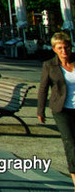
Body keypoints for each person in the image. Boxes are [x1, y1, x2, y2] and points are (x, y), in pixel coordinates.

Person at [37, 31, 75, 189]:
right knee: (71, 144)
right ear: (54, 49)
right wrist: (40, 110)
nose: (64, 51)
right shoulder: (49, 65)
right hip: (62, 109)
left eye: (66, 47)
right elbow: (43, 88)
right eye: (60, 48)